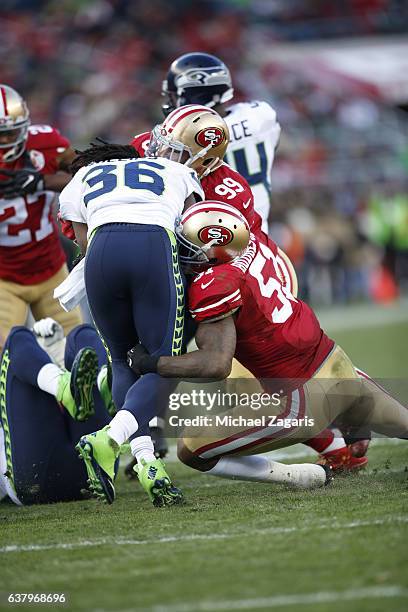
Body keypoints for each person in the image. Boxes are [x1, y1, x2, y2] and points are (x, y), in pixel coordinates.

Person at [127, 201, 408, 487]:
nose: (181, 253)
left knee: (190, 448)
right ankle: (339, 444)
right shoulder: (254, 245)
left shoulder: (213, 284)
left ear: (213, 249)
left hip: (302, 399)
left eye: (188, 246)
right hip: (340, 364)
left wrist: (151, 364)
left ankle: (299, 477)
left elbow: (215, 364)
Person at [58, 134, 212, 507]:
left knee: (121, 359)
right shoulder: (173, 169)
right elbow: (194, 229)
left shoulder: (83, 179)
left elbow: (81, 241)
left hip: (100, 253)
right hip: (151, 247)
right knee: (163, 364)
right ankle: (109, 438)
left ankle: (146, 462)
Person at [160, 52, 281, 233]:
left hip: (213, 235)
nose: (170, 102)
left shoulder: (186, 137)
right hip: (259, 231)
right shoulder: (260, 115)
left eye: (173, 96)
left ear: (191, 96)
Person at [0, 85, 82, 347]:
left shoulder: (45, 144)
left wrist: (42, 181)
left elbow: (87, 173)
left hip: (51, 268)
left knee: (79, 348)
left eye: (10, 133)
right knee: (5, 354)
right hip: (4, 276)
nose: (5, 142)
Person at [0, 319, 113, 505]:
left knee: (77, 335)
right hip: (96, 471)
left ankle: (70, 384)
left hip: (38, 478)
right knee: (18, 338)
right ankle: (106, 383)